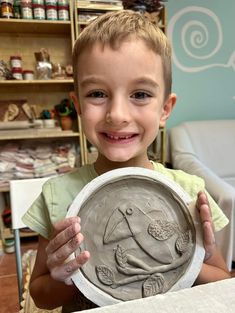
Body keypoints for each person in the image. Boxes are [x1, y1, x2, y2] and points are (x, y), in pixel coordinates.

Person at [22, 10, 231, 312]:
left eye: (140, 94)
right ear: (78, 105)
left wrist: (192, 260)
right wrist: (60, 275)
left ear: (165, 109)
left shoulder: (189, 194)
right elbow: (41, 295)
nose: (117, 114)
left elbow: (222, 279)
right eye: (97, 93)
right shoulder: (58, 196)